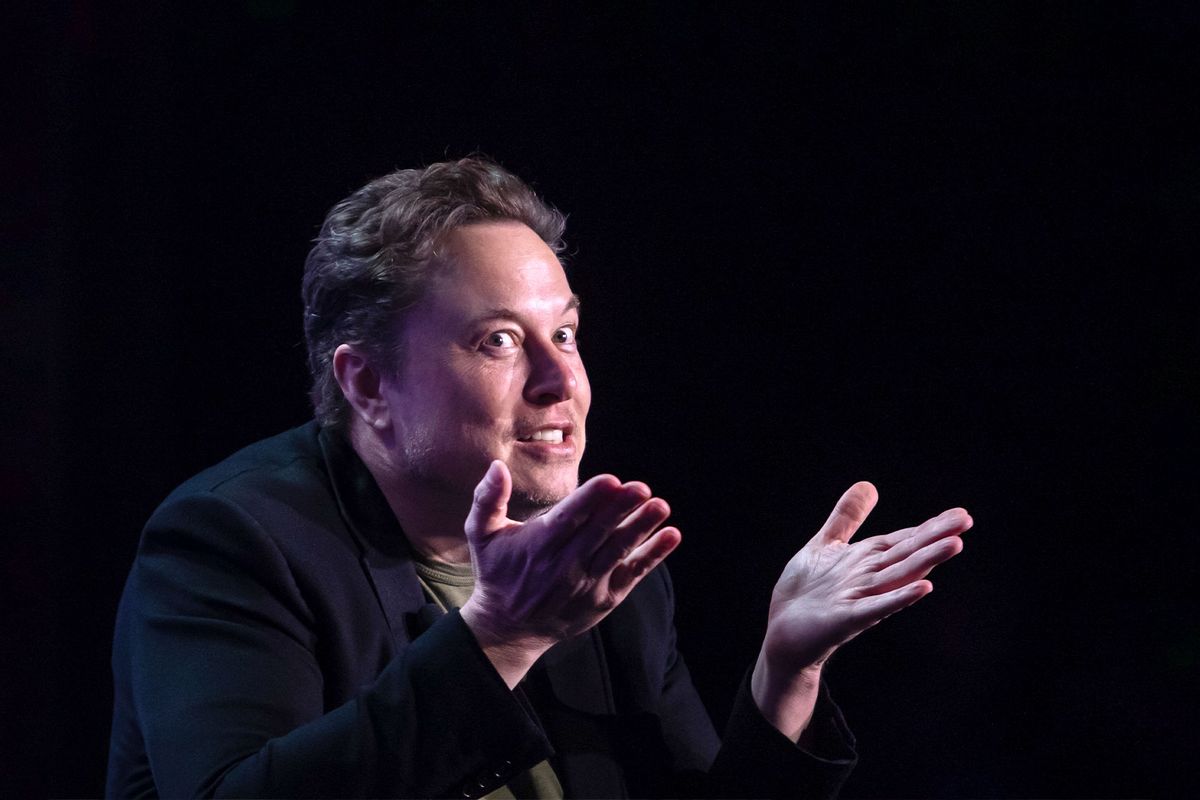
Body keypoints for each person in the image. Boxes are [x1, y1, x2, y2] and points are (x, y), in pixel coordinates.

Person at [106, 157, 973, 799]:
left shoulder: (603, 564)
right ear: (368, 384)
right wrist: (500, 635)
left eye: (564, 333)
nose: (562, 383)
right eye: (499, 341)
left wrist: (788, 669)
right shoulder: (232, 541)